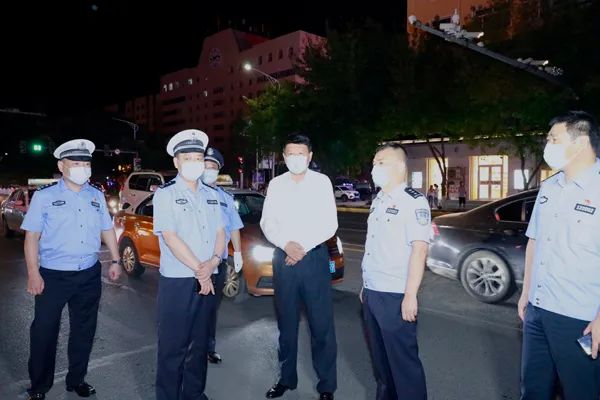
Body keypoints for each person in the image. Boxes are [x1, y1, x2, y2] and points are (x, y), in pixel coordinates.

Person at [21, 139, 122, 400]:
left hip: (88, 273)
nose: (82, 168)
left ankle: (77, 380)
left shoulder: (96, 195)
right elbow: (31, 237)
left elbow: (107, 228)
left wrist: (115, 260)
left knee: (84, 331)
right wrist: (33, 273)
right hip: (53, 275)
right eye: (76, 163)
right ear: (61, 166)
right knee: (44, 332)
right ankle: (39, 386)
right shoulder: (45, 196)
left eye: (86, 163)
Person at [518, 111, 600, 400]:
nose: (547, 145)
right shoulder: (549, 187)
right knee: (533, 390)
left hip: (580, 318)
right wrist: (526, 293)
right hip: (538, 310)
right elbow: (534, 241)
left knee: (581, 392)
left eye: (553, 139)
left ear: (580, 143)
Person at [260, 133, 338, 400]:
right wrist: (286, 245)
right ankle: (286, 379)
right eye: (291, 154)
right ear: (284, 157)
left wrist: (300, 247)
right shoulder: (276, 184)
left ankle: (327, 385)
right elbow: (267, 222)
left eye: (301, 153)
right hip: (284, 260)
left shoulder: (321, 183)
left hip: (313, 259)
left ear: (310, 156)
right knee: (287, 324)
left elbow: (330, 223)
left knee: (322, 326)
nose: (296, 158)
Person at [153, 129, 226, 400]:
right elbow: (170, 237)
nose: (194, 163)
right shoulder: (166, 194)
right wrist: (200, 270)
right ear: (176, 162)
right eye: (188, 158)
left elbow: (220, 232)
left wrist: (213, 262)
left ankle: (194, 394)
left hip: (208, 275)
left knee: (199, 345)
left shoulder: (212, 194)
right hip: (179, 281)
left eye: (198, 158)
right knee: (173, 347)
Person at [361, 142, 430, 400]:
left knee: (404, 367)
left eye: (381, 163)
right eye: (374, 163)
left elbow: (419, 250)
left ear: (400, 167)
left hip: (395, 295)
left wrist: (410, 295)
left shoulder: (413, 201)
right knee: (382, 365)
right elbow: (374, 247)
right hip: (372, 292)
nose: (374, 168)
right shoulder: (378, 200)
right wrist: (366, 286)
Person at [201, 147, 244, 364]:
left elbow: (234, 226)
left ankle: (208, 348)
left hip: (219, 262)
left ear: (218, 171)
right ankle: (190, 347)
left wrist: (238, 253)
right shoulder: (193, 194)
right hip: (196, 263)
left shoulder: (225, 197)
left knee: (211, 309)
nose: (209, 170)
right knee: (193, 309)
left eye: (213, 167)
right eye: (205, 166)